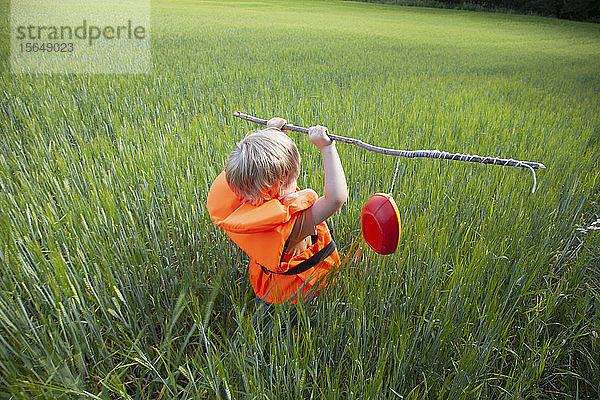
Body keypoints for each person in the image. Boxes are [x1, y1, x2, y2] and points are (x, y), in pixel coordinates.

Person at [206, 117, 348, 307]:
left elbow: (254, 171)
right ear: (283, 178)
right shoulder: (292, 223)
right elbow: (335, 199)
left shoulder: (243, 203)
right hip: (300, 294)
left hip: (269, 285)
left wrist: (273, 134)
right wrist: (327, 148)